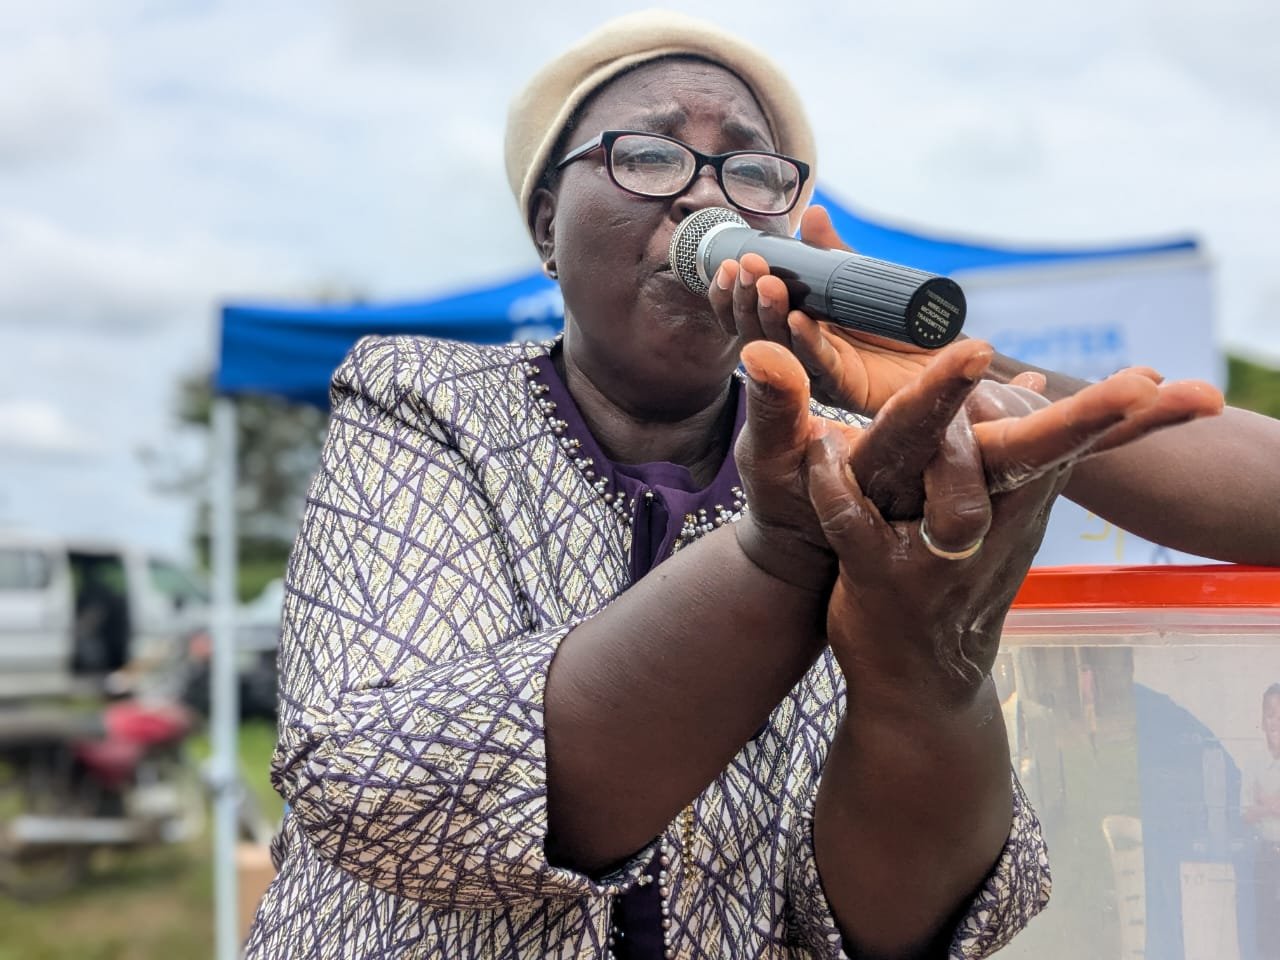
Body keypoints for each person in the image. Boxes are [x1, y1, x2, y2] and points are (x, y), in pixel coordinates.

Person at [245, 11, 1264, 959]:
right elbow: (383, 791)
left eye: (749, 169)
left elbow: (885, 925)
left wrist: (928, 667)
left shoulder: (851, 466)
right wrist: (781, 559)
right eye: (647, 154)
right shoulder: (423, 400)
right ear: (546, 224)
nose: (705, 195)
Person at [1244, 684, 1280, 959]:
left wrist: (1263, 804)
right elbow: (1246, 813)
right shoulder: (1254, 762)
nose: (1275, 721)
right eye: (1269, 714)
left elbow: (1259, 808)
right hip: (1266, 855)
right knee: (1266, 933)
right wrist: (1273, 805)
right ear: (1261, 720)